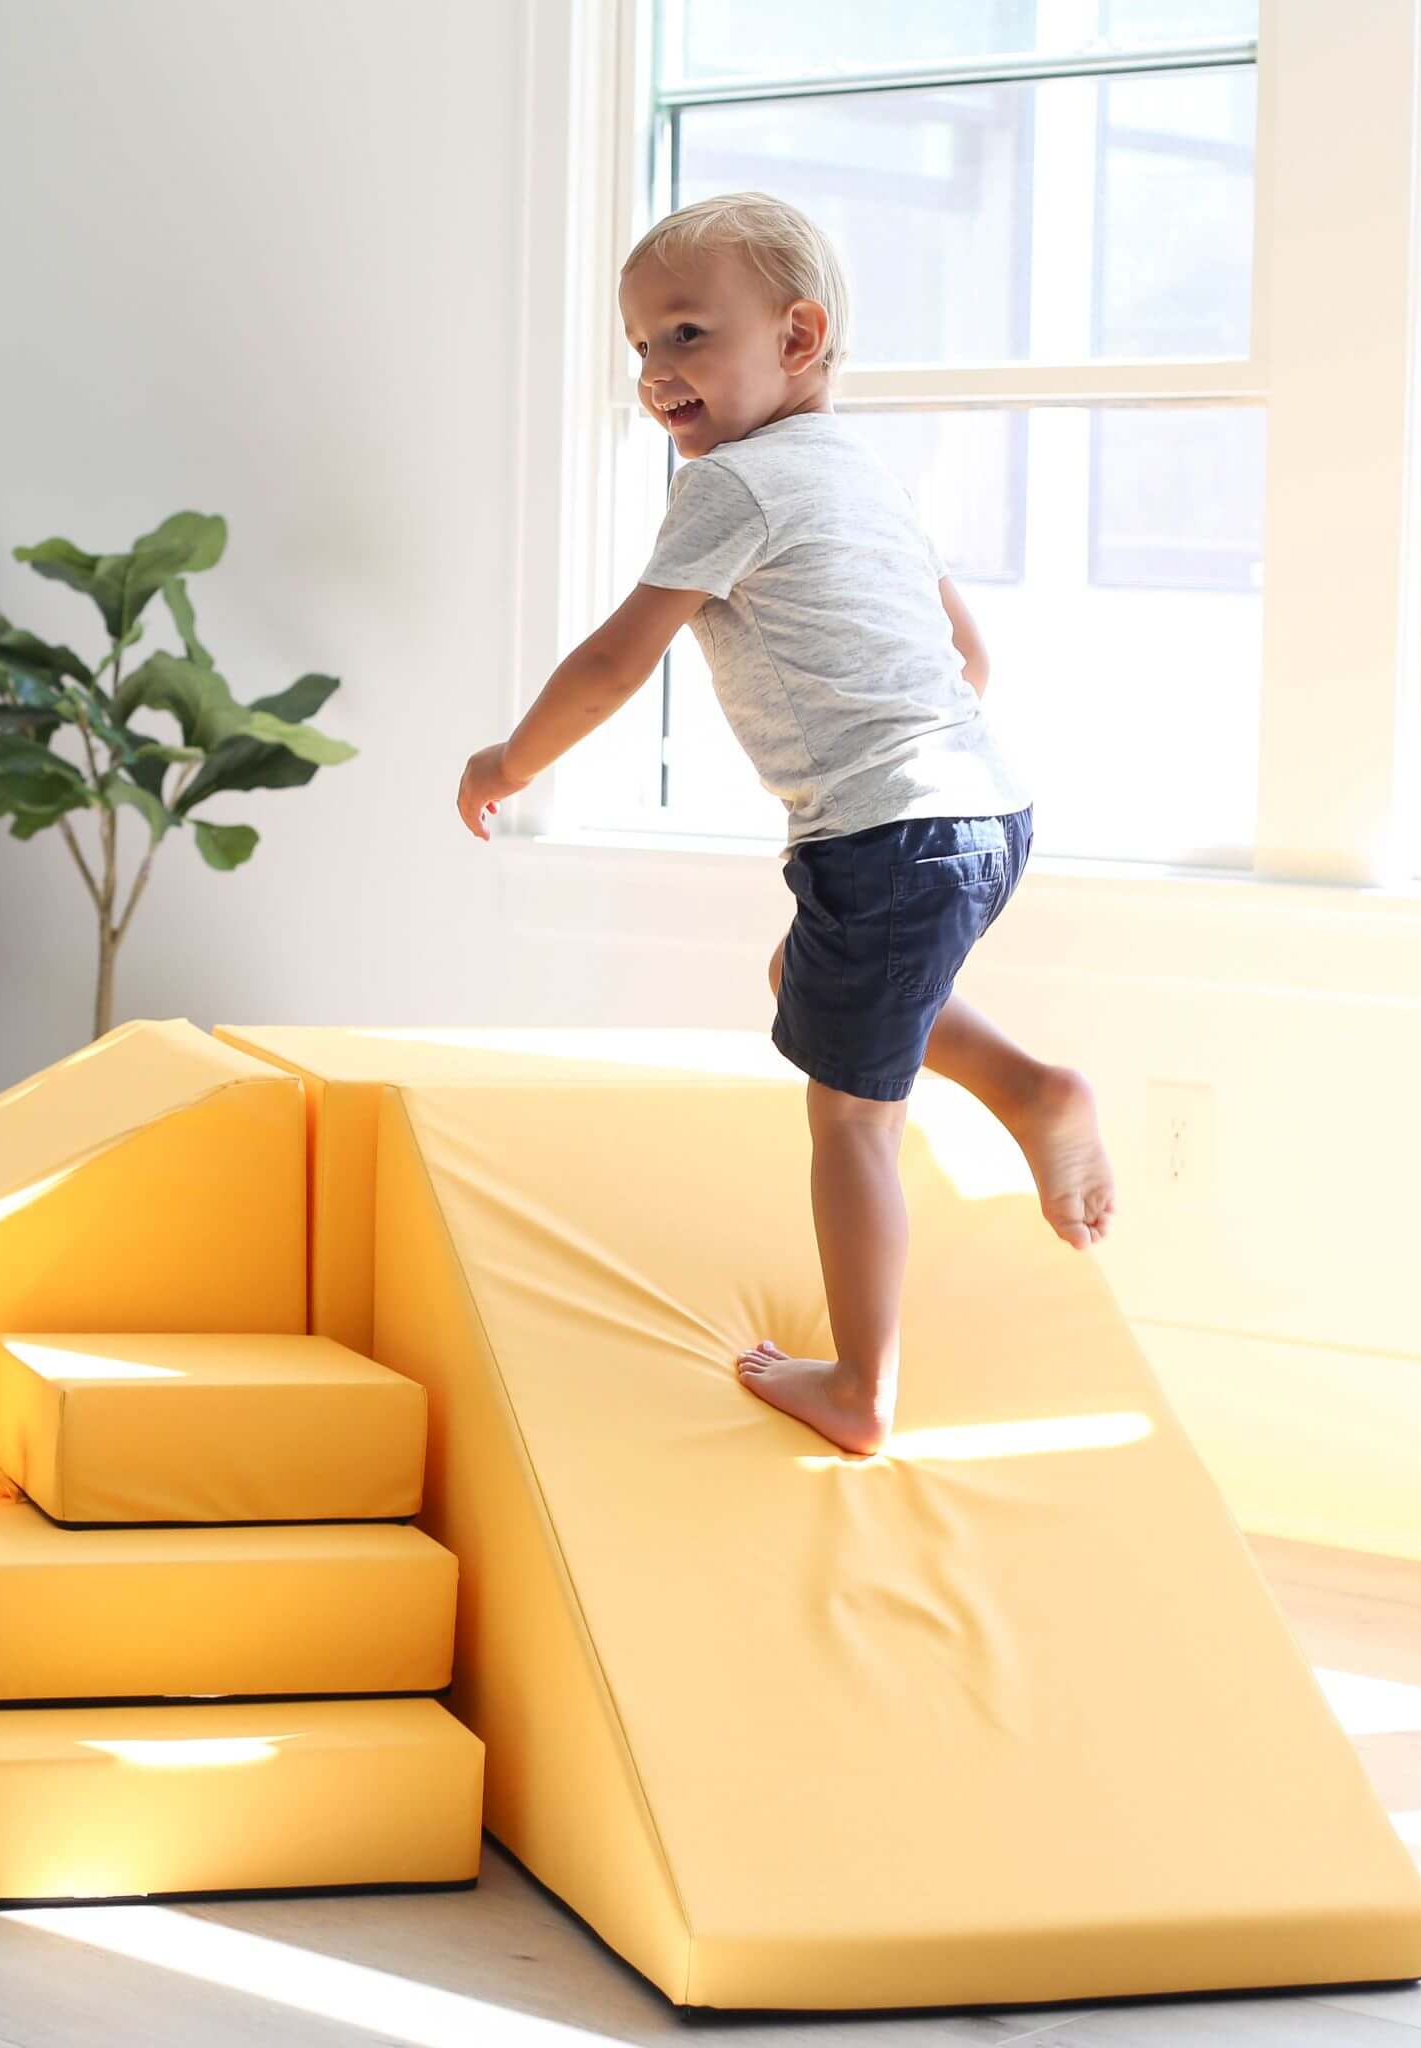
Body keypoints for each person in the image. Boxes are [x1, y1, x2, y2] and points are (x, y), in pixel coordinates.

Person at [455, 191, 1115, 1457]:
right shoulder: (863, 471)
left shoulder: (731, 489)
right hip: (987, 804)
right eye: (642, 346)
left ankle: (862, 1385)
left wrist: (510, 758)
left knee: (850, 1117)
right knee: (800, 976)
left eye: (688, 335)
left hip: (888, 835)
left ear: (798, 336)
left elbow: (613, 660)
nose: (656, 372)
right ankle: (1033, 1090)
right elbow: (969, 653)